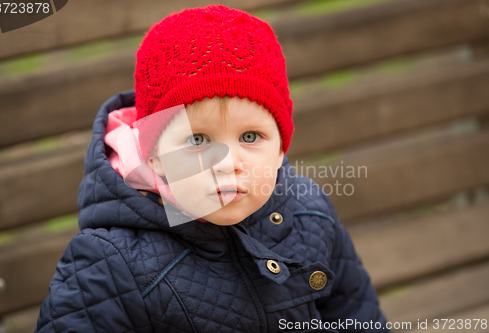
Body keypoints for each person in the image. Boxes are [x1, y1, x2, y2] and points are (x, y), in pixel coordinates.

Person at [35, 5, 390, 333]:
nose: (227, 164)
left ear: (281, 148)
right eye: (198, 140)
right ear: (153, 155)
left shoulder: (311, 214)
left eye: (250, 136)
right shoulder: (109, 265)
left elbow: (356, 316)